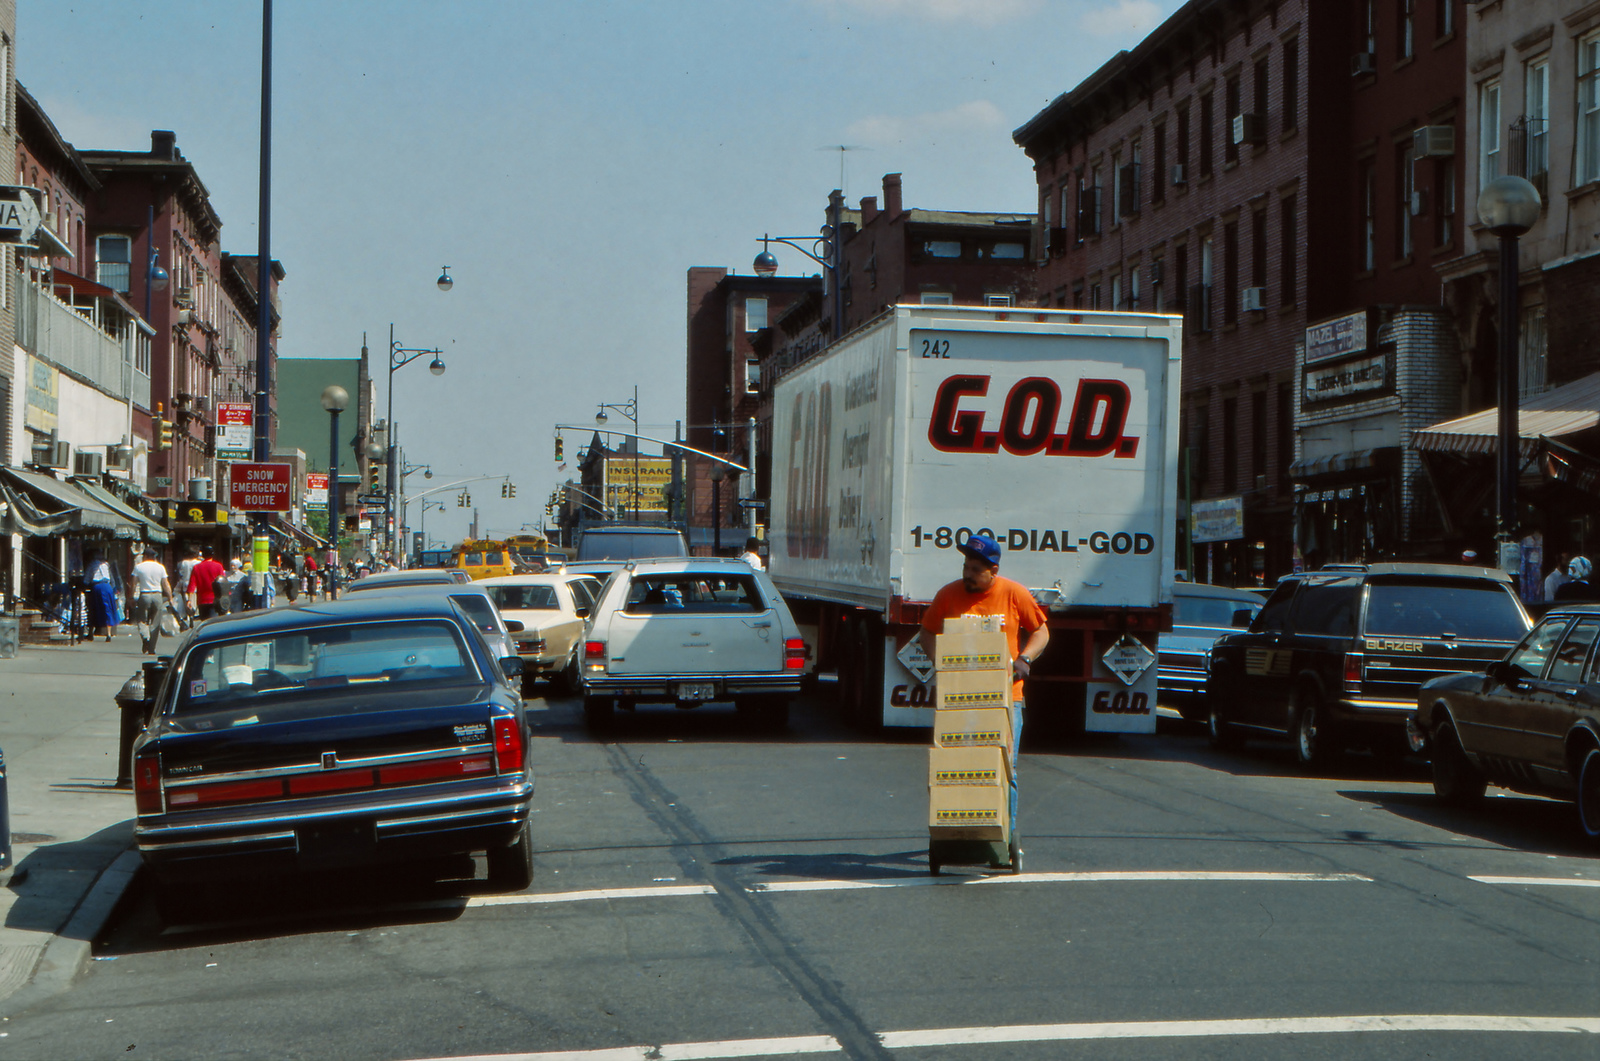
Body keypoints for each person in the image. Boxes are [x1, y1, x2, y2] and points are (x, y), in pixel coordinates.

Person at [917, 534, 1050, 840]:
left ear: (993, 569)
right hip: (959, 698)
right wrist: (943, 661)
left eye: (976, 569)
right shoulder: (948, 595)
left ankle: (1006, 835)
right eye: (966, 566)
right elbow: (926, 633)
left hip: (1006, 698)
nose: (968, 574)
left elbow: (1041, 632)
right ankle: (960, 831)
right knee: (958, 766)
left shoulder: (1013, 594)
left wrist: (1025, 659)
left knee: (1004, 766)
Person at [128, 548, 173, 655]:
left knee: (141, 620)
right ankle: (152, 648)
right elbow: (165, 584)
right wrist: (170, 597)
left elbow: (133, 584)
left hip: (144, 595)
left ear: (145, 556)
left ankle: (145, 637)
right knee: (155, 622)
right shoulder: (160, 567)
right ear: (154, 557)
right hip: (157, 595)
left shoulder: (139, 567)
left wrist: (131, 597)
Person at [84, 549, 120, 642]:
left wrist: (84, 584)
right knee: (108, 610)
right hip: (108, 588)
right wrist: (115, 589)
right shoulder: (106, 564)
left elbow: (86, 580)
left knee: (93, 609)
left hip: (97, 587)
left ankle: (91, 634)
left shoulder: (92, 564)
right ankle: (108, 634)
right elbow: (112, 579)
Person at [188, 547, 227, 620]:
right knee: (214, 623)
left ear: (202, 555)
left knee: (204, 622)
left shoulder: (196, 567)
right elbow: (223, 584)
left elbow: (192, 585)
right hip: (216, 599)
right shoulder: (219, 566)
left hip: (202, 600)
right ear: (212, 555)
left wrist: (189, 600)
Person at [174, 544, 201, 625]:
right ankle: (193, 615)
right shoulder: (199, 563)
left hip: (185, 585)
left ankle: (188, 616)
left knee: (186, 601)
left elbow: (179, 576)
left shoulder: (182, 563)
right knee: (194, 602)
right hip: (196, 586)